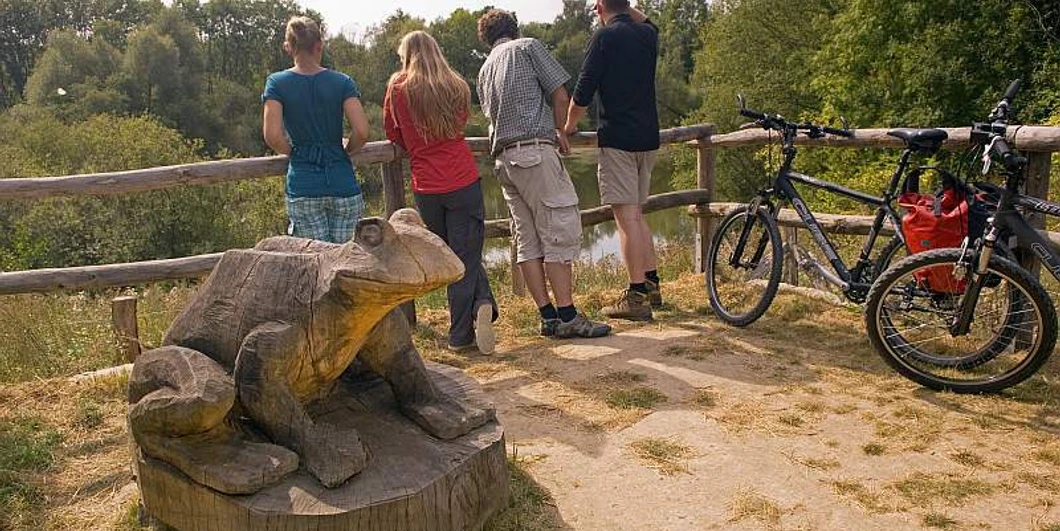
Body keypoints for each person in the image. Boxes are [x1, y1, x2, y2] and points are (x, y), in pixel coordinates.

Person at [476, 9, 611, 339]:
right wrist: (561, 130)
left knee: (527, 238)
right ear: (514, 28)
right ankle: (567, 315)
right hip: (534, 151)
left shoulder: (483, 70)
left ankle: (548, 316)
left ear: (487, 38)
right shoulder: (527, 47)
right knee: (558, 227)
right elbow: (560, 92)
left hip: (504, 160)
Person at [384, 31, 499, 355]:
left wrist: (418, 145)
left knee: (452, 256)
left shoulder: (398, 87)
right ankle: (473, 316)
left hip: (427, 185)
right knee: (467, 252)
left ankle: (469, 324)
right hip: (462, 178)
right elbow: (461, 123)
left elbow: (393, 132)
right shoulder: (456, 84)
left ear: (407, 55)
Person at [564, 0, 661, 321]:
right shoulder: (646, 35)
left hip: (619, 139)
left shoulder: (605, 38)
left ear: (602, 6)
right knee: (638, 215)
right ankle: (652, 285)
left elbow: (584, 90)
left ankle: (635, 297)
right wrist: (620, 6)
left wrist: (568, 127)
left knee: (627, 219)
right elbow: (651, 24)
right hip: (648, 137)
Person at [262, 16, 370, 244]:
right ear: (319, 45)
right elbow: (361, 131)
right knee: (348, 263)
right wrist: (346, 151)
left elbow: (272, 135)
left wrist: (293, 152)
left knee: (313, 263)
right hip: (342, 183)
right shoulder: (342, 82)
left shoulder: (277, 83)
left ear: (288, 47)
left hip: (304, 183)